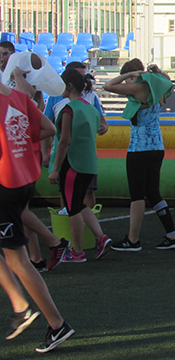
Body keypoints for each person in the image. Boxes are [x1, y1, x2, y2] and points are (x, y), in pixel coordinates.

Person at [0, 79, 75, 352]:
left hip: (5, 184)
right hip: (22, 181)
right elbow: (48, 128)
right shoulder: (18, 97)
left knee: (18, 260)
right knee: (17, 257)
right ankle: (32, 312)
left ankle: (45, 318)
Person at [103, 59, 175, 251]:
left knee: (137, 195)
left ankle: (133, 240)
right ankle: (172, 235)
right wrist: (156, 71)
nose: (126, 83)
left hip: (139, 148)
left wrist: (131, 75)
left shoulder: (138, 87)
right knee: (153, 193)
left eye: (128, 79)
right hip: (157, 146)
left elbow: (108, 86)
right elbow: (168, 80)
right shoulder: (158, 87)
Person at [47, 68, 112, 262]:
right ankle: (100, 237)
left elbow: (64, 141)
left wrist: (55, 169)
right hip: (89, 163)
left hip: (72, 165)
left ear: (69, 86)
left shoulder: (69, 109)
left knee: (72, 208)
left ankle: (77, 251)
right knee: (79, 204)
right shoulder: (90, 108)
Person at [42, 61, 109, 211]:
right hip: (80, 156)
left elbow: (65, 140)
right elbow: (49, 126)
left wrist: (55, 168)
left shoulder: (73, 107)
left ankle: (75, 223)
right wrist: (45, 153)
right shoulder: (59, 99)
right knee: (70, 197)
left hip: (73, 157)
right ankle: (90, 225)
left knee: (73, 200)